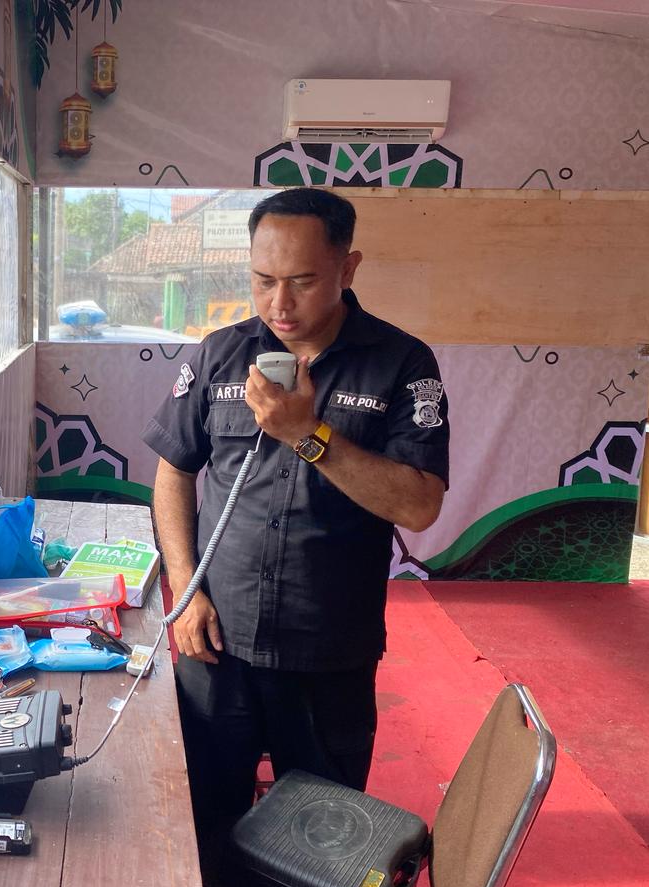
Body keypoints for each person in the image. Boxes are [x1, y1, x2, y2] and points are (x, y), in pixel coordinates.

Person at [142, 187, 450, 852]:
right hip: (216, 638)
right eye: (262, 280)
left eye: (303, 282)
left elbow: (419, 504)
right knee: (199, 823)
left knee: (318, 841)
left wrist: (308, 435)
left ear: (348, 267)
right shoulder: (220, 354)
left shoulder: (401, 364)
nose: (279, 304)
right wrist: (184, 587)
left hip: (327, 650)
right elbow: (173, 471)